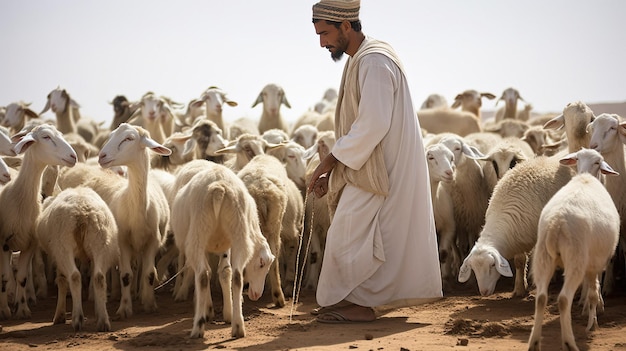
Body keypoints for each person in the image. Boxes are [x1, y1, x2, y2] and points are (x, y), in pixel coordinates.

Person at [308, 0, 443, 323]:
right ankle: (351, 300)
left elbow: (373, 123)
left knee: (348, 230)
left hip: (384, 167)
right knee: (359, 232)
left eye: (325, 33)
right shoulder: (363, 58)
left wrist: (329, 163)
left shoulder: (375, 62)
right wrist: (337, 164)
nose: (322, 43)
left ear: (346, 26)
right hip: (371, 163)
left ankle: (358, 304)